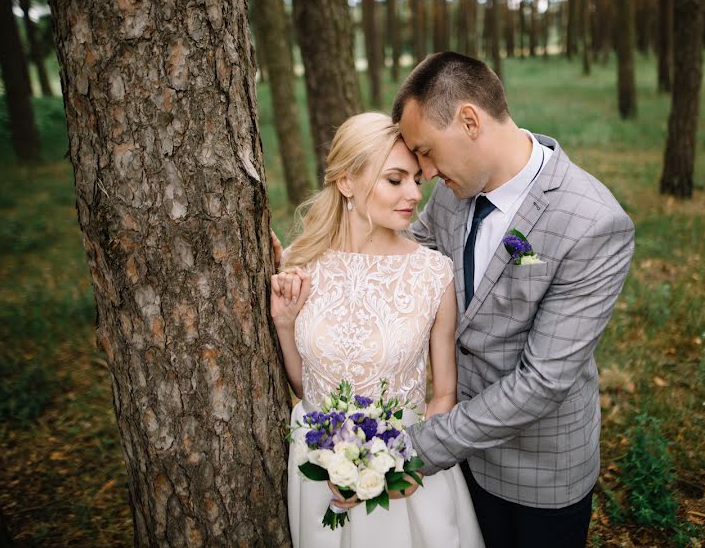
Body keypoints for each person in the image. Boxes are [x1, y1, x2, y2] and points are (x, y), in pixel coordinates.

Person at [389, 51, 635, 547]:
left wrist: (417, 447)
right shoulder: (453, 196)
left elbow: (543, 381)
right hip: (465, 463)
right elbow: (400, 262)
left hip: (541, 476)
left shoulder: (594, 224)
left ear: (470, 120)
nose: (427, 173)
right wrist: (321, 265)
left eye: (427, 151)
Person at [269, 112, 484, 548]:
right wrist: (285, 323)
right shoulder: (301, 262)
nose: (413, 194)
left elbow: (443, 393)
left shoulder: (432, 274)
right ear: (347, 182)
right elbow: (307, 384)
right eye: (395, 180)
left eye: (416, 181)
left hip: (404, 474)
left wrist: (409, 465)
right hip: (318, 470)